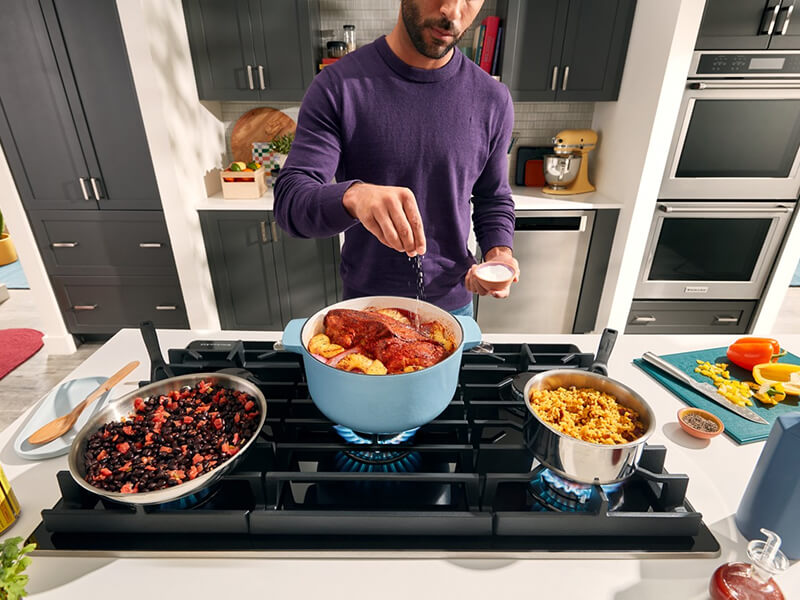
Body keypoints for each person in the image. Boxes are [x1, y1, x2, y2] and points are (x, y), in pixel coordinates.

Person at [274, 0, 518, 317]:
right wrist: (353, 196)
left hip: (454, 307)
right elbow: (291, 201)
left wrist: (499, 254)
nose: (452, 11)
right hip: (367, 309)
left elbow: (493, 197)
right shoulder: (338, 87)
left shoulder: (493, 99)